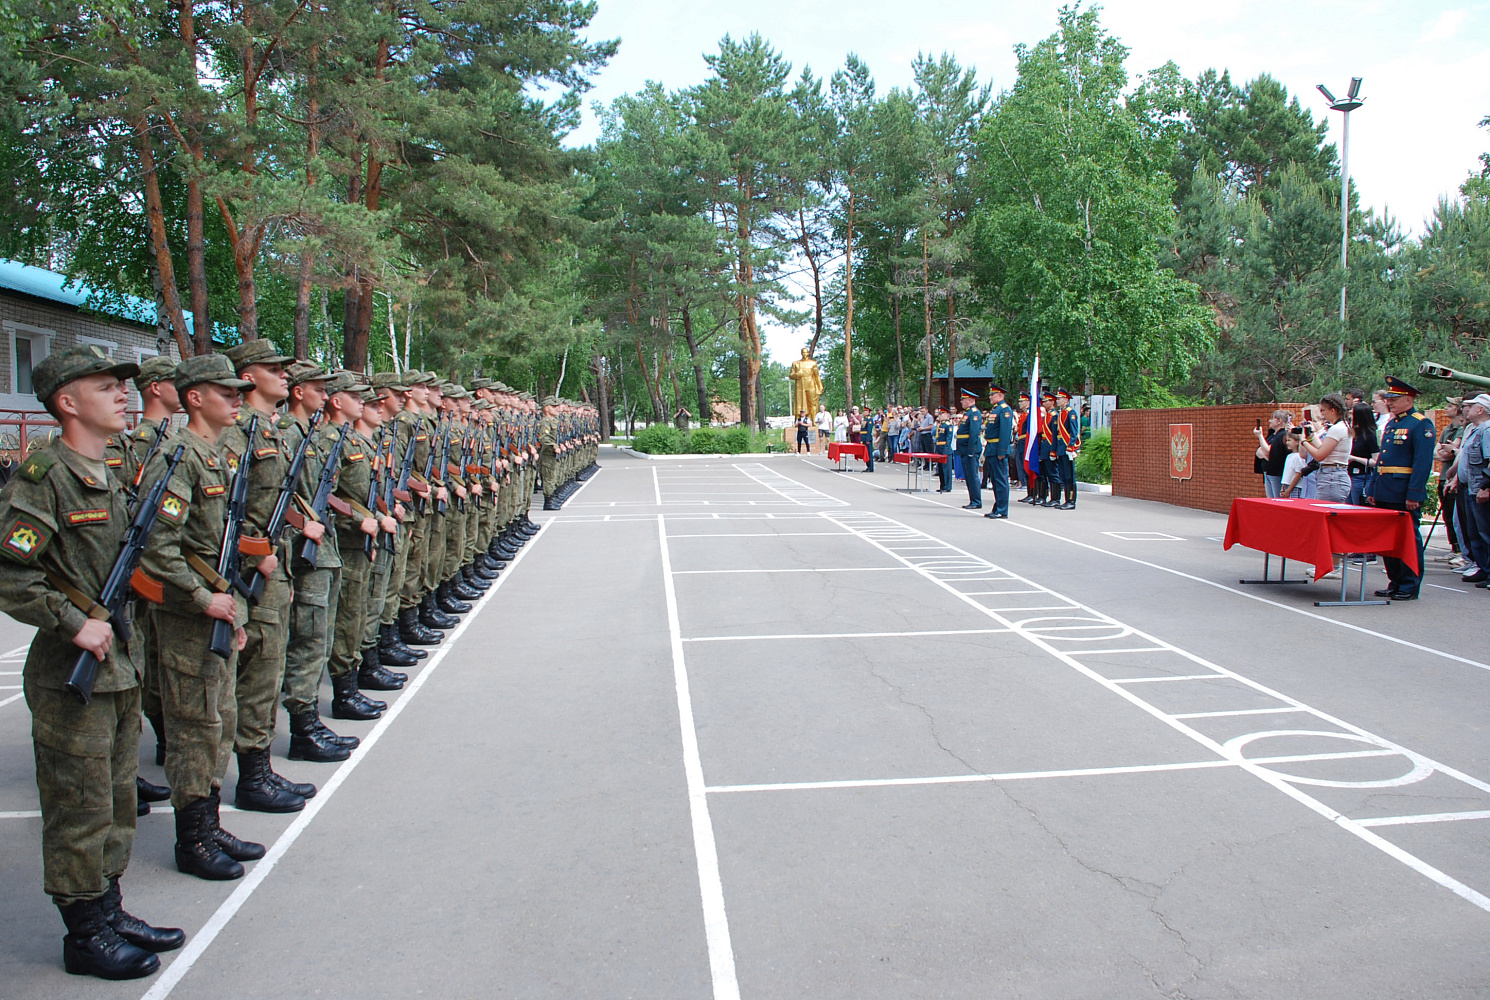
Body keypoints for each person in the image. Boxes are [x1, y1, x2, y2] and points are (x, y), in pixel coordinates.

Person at [0, 346, 184, 979]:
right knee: (78, 809)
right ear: (67, 402)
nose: (122, 394)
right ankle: (84, 934)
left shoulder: (106, 471)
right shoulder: (43, 477)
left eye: (121, 386)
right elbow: (10, 573)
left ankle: (108, 908)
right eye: (106, 387)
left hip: (120, 666)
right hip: (71, 677)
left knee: (114, 801)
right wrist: (72, 621)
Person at [138, 354, 265, 881]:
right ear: (195, 397)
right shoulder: (178, 457)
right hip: (189, 616)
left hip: (217, 607)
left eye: (239, 393)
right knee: (195, 726)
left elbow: (217, 545)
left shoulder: (213, 455)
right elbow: (155, 547)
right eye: (226, 393)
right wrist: (201, 596)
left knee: (221, 719)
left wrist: (233, 608)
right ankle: (191, 839)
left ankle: (209, 825)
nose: (237, 400)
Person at [218, 340, 315, 814]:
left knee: (267, 670)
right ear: (248, 377)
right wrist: (256, 553)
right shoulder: (235, 434)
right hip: (244, 573)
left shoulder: (269, 431)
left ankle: (259, 769)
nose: (284, 375)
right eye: (273, 368)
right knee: (254, 674)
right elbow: (219, 513)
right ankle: (250, 779)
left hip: (272, 567)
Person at [1364, 375, 1436, 601]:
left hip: (1403, 490)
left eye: (1394, 399)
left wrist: (1414, 493)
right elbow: (1382, 461)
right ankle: (1395, 581)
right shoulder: (1393, 423)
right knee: (1389, 539)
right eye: (1389, 399)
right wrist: (1373, 489)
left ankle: (1409, 584)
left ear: (1408, 400)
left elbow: (1422, 462)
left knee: (1408, 539)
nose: (1390, 403)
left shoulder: (1420, 423)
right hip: (1386, 488)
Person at [1456, 394, 1490, 587]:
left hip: (1480, 489)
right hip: (1471, 487)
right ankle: (1483, 568)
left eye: (1472, 405)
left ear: (1481, 409)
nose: (1466, 409)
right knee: (1475, 532)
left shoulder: (1487, 429)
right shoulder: (1475, 429)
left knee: (1485, 532)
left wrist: (1486, 487)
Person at [1301, 393, 1351, 503]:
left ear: (1333, 411)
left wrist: (1303, 441)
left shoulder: (1336, 429)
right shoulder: (1342, 426)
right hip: (1333, 476)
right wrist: (1312, 436)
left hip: (1332, 477)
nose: (1322, 413)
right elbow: (1323, 448)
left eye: (1323, 410)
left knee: (1325, 509)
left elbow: (1319, 456)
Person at [982, 385, 1014, 519]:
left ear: (1000, 395)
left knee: (1001, 480)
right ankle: (997, 507)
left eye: (992, 395)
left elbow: (1005, 432)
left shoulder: (1005, 409)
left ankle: (1002, 509)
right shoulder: (996, 409)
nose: (990, 397)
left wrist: (1002, 450)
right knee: (995, 480)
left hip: (998, 448)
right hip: (991, 447)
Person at [1346, 401, 1379, 505]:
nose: (1350, 416)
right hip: (1350, 475)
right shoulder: (1355, 435)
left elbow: (1375, 461)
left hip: (1362, 476)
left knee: (1357, 506)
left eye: (1352, 414)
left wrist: (1354, 458)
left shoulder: (1370, 436)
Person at [1254, 410, 1292, 498]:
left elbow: (1268, 452)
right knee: (1270, 498)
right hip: (1268, 471)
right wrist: (1264, 452)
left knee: (1277, 498)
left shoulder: (1283, 435)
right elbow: (1259, 451)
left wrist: (1260, 436)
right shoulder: (1272, 435)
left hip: (1277, 473)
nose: (1269, 421)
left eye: (1272, 418)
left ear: (1279, 421)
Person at [955, 389, 982, 509]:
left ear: (970, 400)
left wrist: (971, 450)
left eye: (963, 399)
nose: (961, 401)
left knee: (972, 475)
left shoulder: (974, 413)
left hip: (970, 448)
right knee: (968, 476)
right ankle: (973, 500)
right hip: (964, 448)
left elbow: (974, 433)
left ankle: (976, 501)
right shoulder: (968, 413)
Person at [1279, 432, 1317, 499]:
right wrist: (1283, 487)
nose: (1287, 443)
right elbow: (1286, 475)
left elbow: (1298, 474)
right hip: (1287, 485)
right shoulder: (1289, 456)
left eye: (1289, 440)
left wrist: (1289, 489)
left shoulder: (1298, 456)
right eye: (1286, 440)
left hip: (1295, 486)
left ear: (1297, 442)